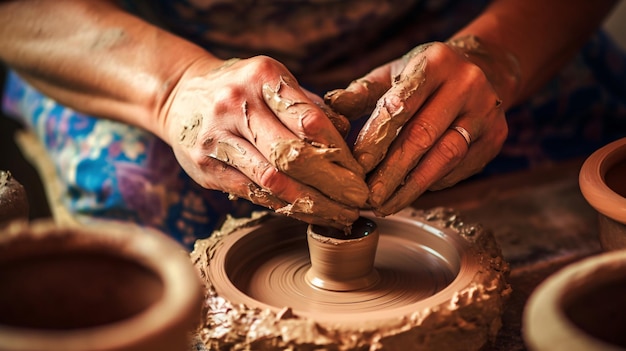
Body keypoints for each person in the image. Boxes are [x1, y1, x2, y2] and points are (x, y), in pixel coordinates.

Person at [1, 0, 624, 249]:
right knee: (144, 221)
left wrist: (497, 59)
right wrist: (171, 88)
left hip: (462, 23)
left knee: (592, 185)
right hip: (143, 47)